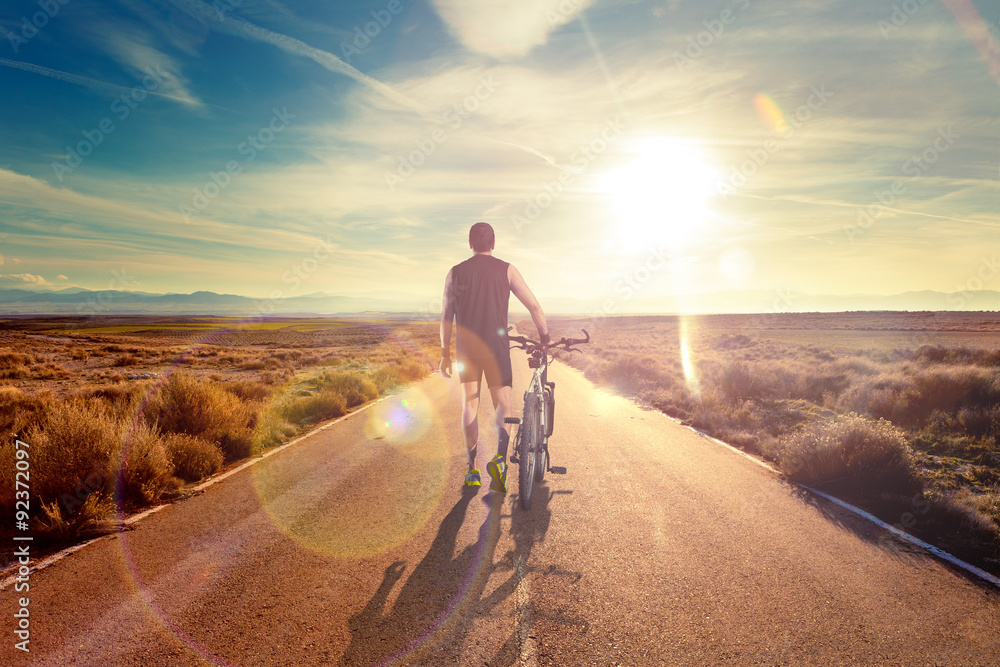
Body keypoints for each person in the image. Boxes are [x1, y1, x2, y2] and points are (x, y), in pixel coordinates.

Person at [439, 222, 549, 492]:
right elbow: (534, 305)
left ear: (470, 244)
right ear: (493, 243)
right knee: (503, 406)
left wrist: (444, 354)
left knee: (470, 406)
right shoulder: (507, 269)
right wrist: (544, 337)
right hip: (496, 348)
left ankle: (472, 470)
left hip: (467, 349)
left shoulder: (455, 273)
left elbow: (445, 318)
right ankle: (499, 461)